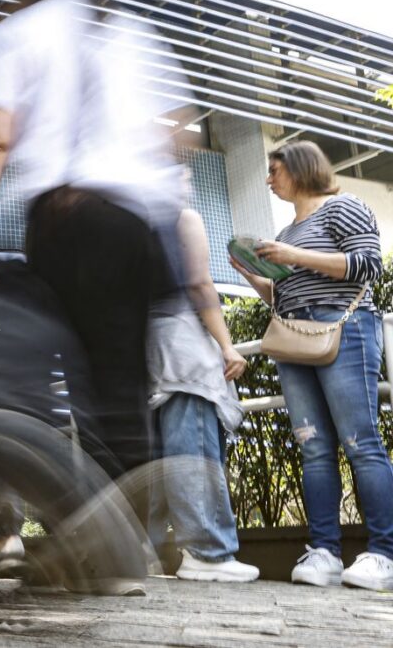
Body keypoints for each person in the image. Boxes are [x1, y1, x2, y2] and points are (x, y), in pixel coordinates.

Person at [231, 140, 393, 591]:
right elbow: (281, 297)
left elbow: (367, 266)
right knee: (314, 447)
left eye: (274, 170)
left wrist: (294, 258)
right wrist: (252, 274)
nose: (268, 179)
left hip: (345, 331)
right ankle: (323, 552)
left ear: (300, 169)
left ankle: (384, 554)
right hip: (294, 339)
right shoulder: (284, 235)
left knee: (361, 442)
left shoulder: (344, 208)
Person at [148, 206, 259, 582]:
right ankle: (206, 552)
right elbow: (199, 284)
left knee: (157, 455)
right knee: (191, 447)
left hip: (145, 347)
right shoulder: (180, 216)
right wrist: (227, 346)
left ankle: (144, 553)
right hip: (182, 345)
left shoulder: (124, 217)